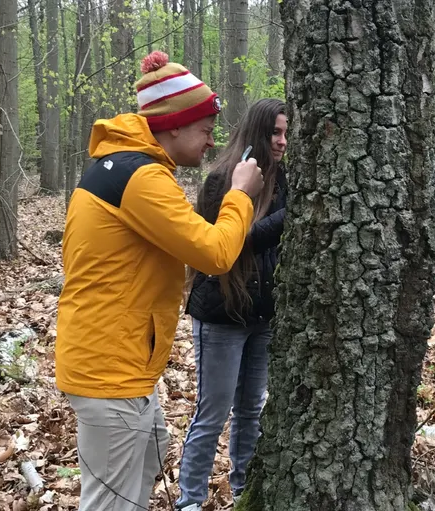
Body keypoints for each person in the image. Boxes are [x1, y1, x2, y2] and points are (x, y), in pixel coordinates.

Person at [55, 50, 264, 511]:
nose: (212, 142)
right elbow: (214, 254)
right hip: (110, 370)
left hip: (115, 361)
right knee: (112, 502)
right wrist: (240, 195)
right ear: (174, 126)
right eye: (206, 131)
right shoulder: (140, 177)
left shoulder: (123, 165)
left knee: (152, 447)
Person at [176, 98, 289, 511]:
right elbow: (236, 243)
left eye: (285, 132)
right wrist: (291, 215)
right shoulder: (221, 180)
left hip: (263, 315)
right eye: (274, 132)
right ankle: (189, 500)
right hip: (221, 313)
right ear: (258, 132)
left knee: (250, 411)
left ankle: (243, 490)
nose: (281, 141)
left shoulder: (285, 179)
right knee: (213, 412)